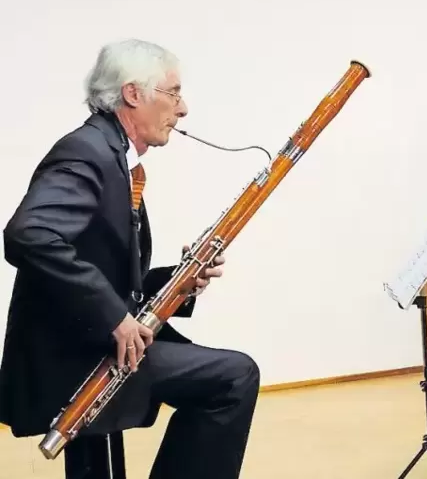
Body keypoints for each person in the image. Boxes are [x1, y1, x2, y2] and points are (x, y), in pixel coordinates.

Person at [0, 39, 260, 479]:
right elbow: (29, 235)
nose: (183, 109)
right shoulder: (88, 151)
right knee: (234, 378)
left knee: (228, 375)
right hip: (73, 358)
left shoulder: (112, 155)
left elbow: (109, 274)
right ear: (133, 94)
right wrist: (114, 317)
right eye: (173, 93)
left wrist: (180, 280)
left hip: (86, 343)